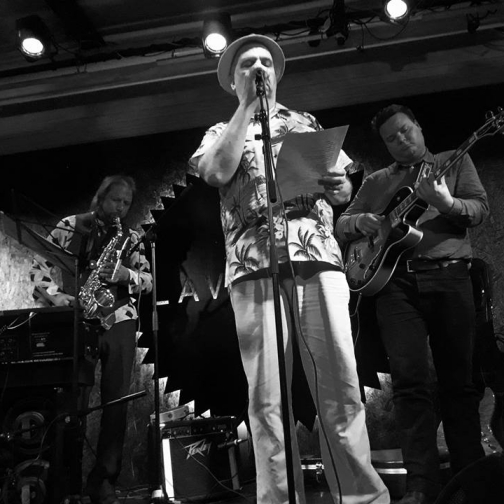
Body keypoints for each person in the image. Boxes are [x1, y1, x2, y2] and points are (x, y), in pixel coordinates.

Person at [189, 33, 389, 504]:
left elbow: (341, 191)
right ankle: (279, 499)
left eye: (265, 62)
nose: (258, 68)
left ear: (278, 74)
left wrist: (339, 186)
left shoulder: (306, 122)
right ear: (233, 80)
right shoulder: (219, 130)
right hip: (254, 265)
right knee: (267, 397)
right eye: (247, 64)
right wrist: (246, 107)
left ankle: (361, 497)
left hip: (317, 256)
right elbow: (215, 173)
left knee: (340, 384)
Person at [336, 104, 489, 504]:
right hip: (395, 286)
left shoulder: (453, 161)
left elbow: (479, 210)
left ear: (418, 127)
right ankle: (421, 485)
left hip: (450, 276)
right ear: (385, 145)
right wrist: (361, 222)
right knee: (408, 384)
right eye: (391, 138)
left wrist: (447, 202)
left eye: (405, 130)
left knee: (460, 383)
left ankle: (473, 479)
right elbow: (342, 224)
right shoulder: (376, 181)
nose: (401, 140)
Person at [30, 175, 153, 504]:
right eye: (116, 200)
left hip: (119, 320)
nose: (121, 208)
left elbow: (148, 281)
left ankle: (103, 482)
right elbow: (38, 270)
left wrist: (126, 275)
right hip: (77, 319)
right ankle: (65, 482)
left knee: (116, 405)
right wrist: (61, 300)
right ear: (100, 198)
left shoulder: (131, 238)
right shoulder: (70, 226)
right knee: (71, 405)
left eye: (126, 203)